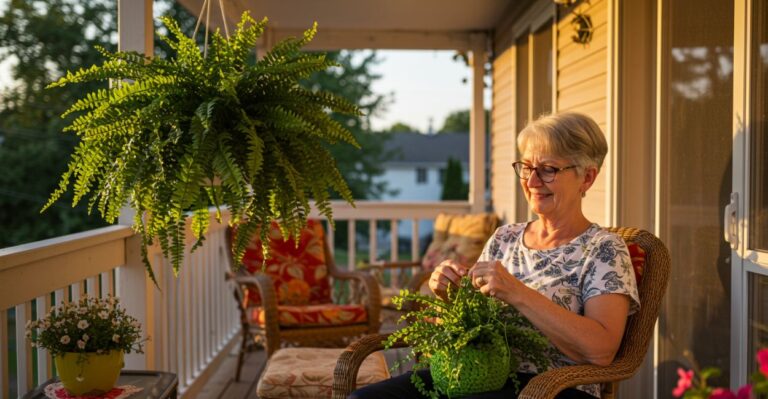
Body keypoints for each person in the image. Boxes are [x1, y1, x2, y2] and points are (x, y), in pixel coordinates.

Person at [349, 112, 640, 399]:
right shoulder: (505, 238)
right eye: (527, 167)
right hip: (477, 374)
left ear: (587, 177)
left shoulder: (604, 249)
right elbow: (463, 326)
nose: (533, 181)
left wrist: (517, 292)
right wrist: (446, 294)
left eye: (548, 169)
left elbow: (601, 350)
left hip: (552, 388)